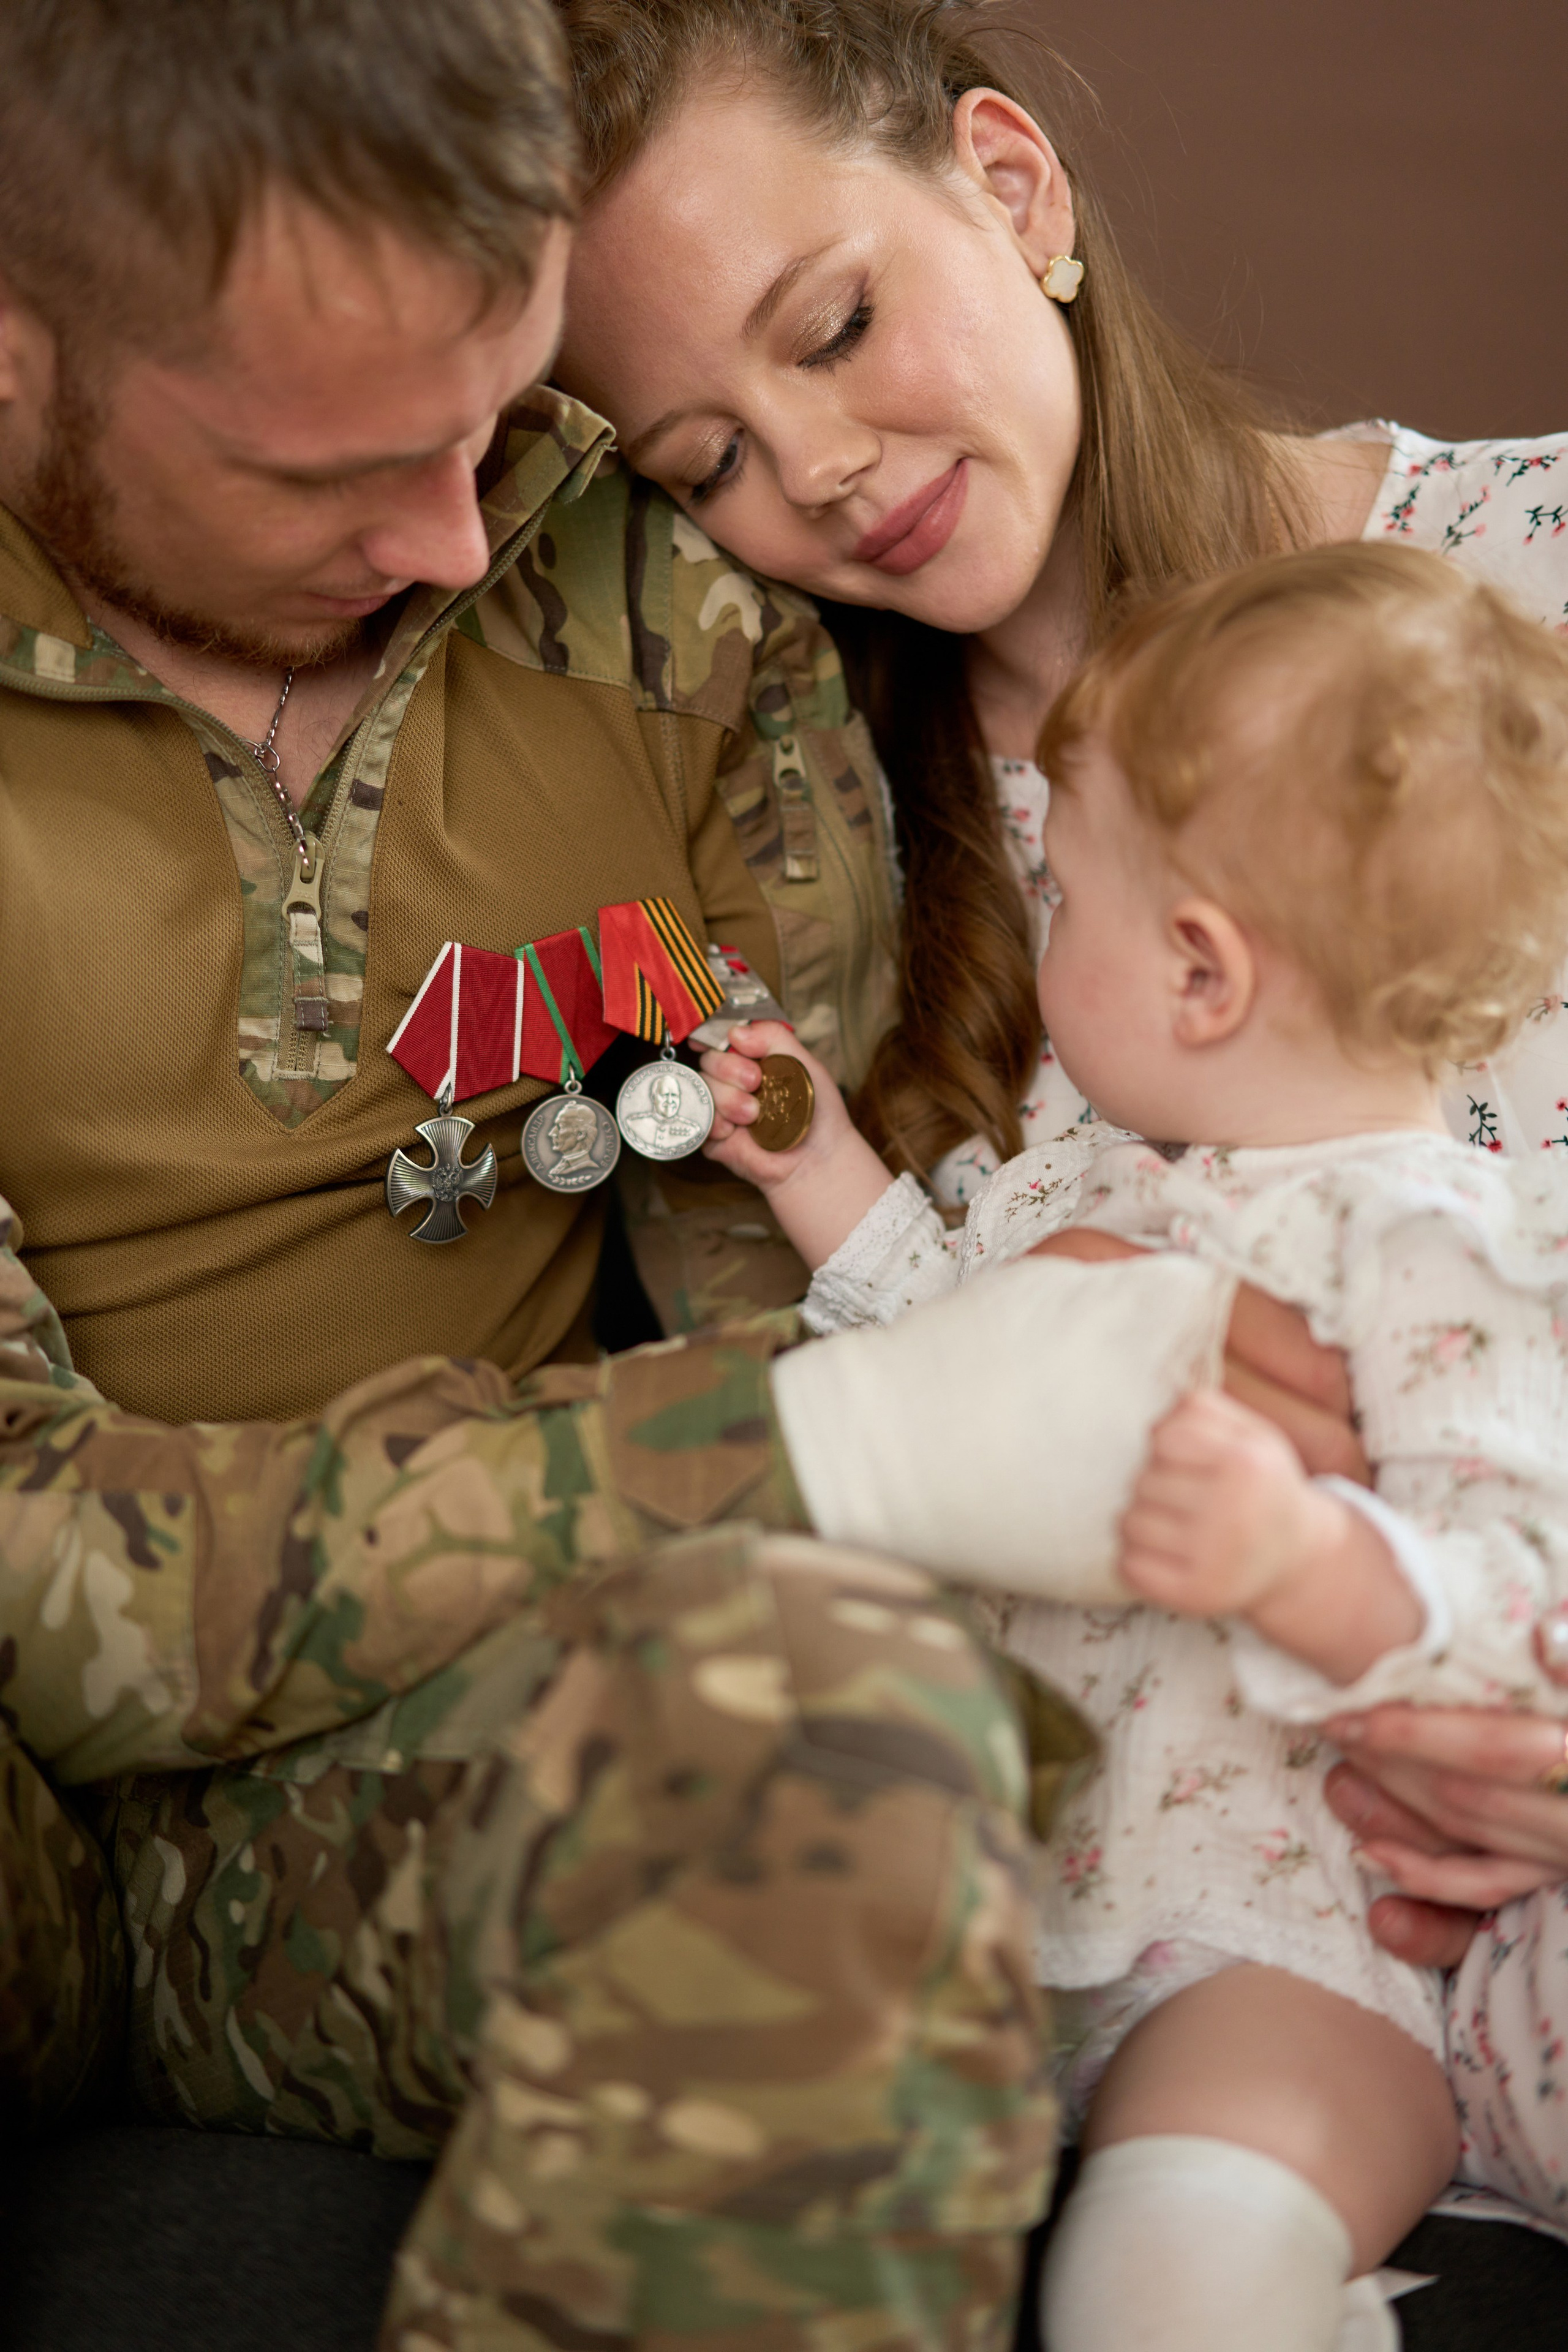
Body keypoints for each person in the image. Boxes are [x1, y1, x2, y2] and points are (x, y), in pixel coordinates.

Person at [0, 6, 1090, 2347]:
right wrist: (809, 1449)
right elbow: (32, 1588)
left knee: (850, 1728)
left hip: (409, 1776)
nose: (460, 539)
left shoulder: (679, 631)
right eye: (338, 475)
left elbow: (789, 1283)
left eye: (498, 422)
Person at [551, 0, 1568, 2119]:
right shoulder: (814, 865)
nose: (810, 465)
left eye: (831, 325)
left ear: (1013, 190)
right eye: (708, 461)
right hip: (1241, 1940)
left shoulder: (1524, 592)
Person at [697, 540, 1568, 2348]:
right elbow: (947, 1351)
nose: (1044, 936)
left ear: (1200, 974)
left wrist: (1299, 1563)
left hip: (1279, 1945)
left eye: (1063, 898)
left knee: (1160, 2283)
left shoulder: (1438, 1246)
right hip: (997, 1917)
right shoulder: (1089, 1183)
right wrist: (816, 1172)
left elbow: (1518, 1614)